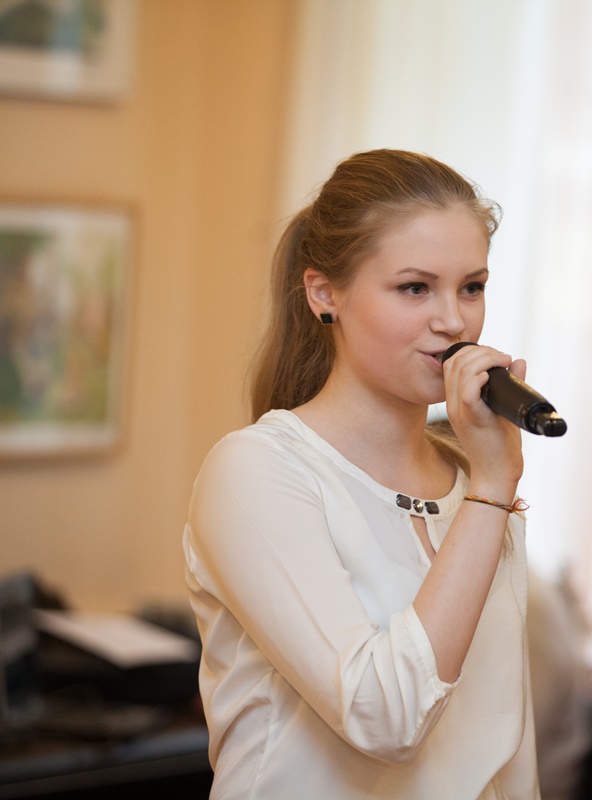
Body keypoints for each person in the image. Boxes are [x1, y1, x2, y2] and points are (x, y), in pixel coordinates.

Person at [183, 150, 540, 799]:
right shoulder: (257, 471)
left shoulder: (477, 485)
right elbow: (384, 719)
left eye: (472, 286)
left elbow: (506, 751)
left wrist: (488, 489)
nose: (453, 321)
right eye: (415, 288)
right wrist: (492, 492)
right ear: (324, 294)